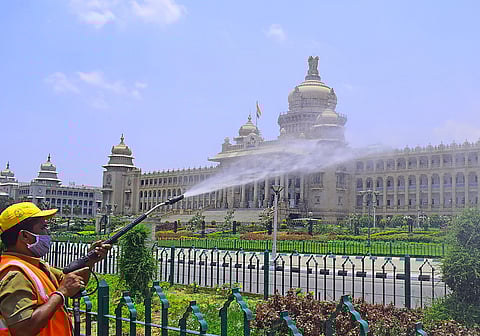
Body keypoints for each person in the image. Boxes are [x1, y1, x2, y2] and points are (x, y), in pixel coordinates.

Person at [0, 202, 111, 336]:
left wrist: (91, 260)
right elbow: (23, 330)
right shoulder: (14, 274)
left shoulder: (36, 266)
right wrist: (62, 292)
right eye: (43, 227)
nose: (47, 232)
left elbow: (74, 282)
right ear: (25, 236)